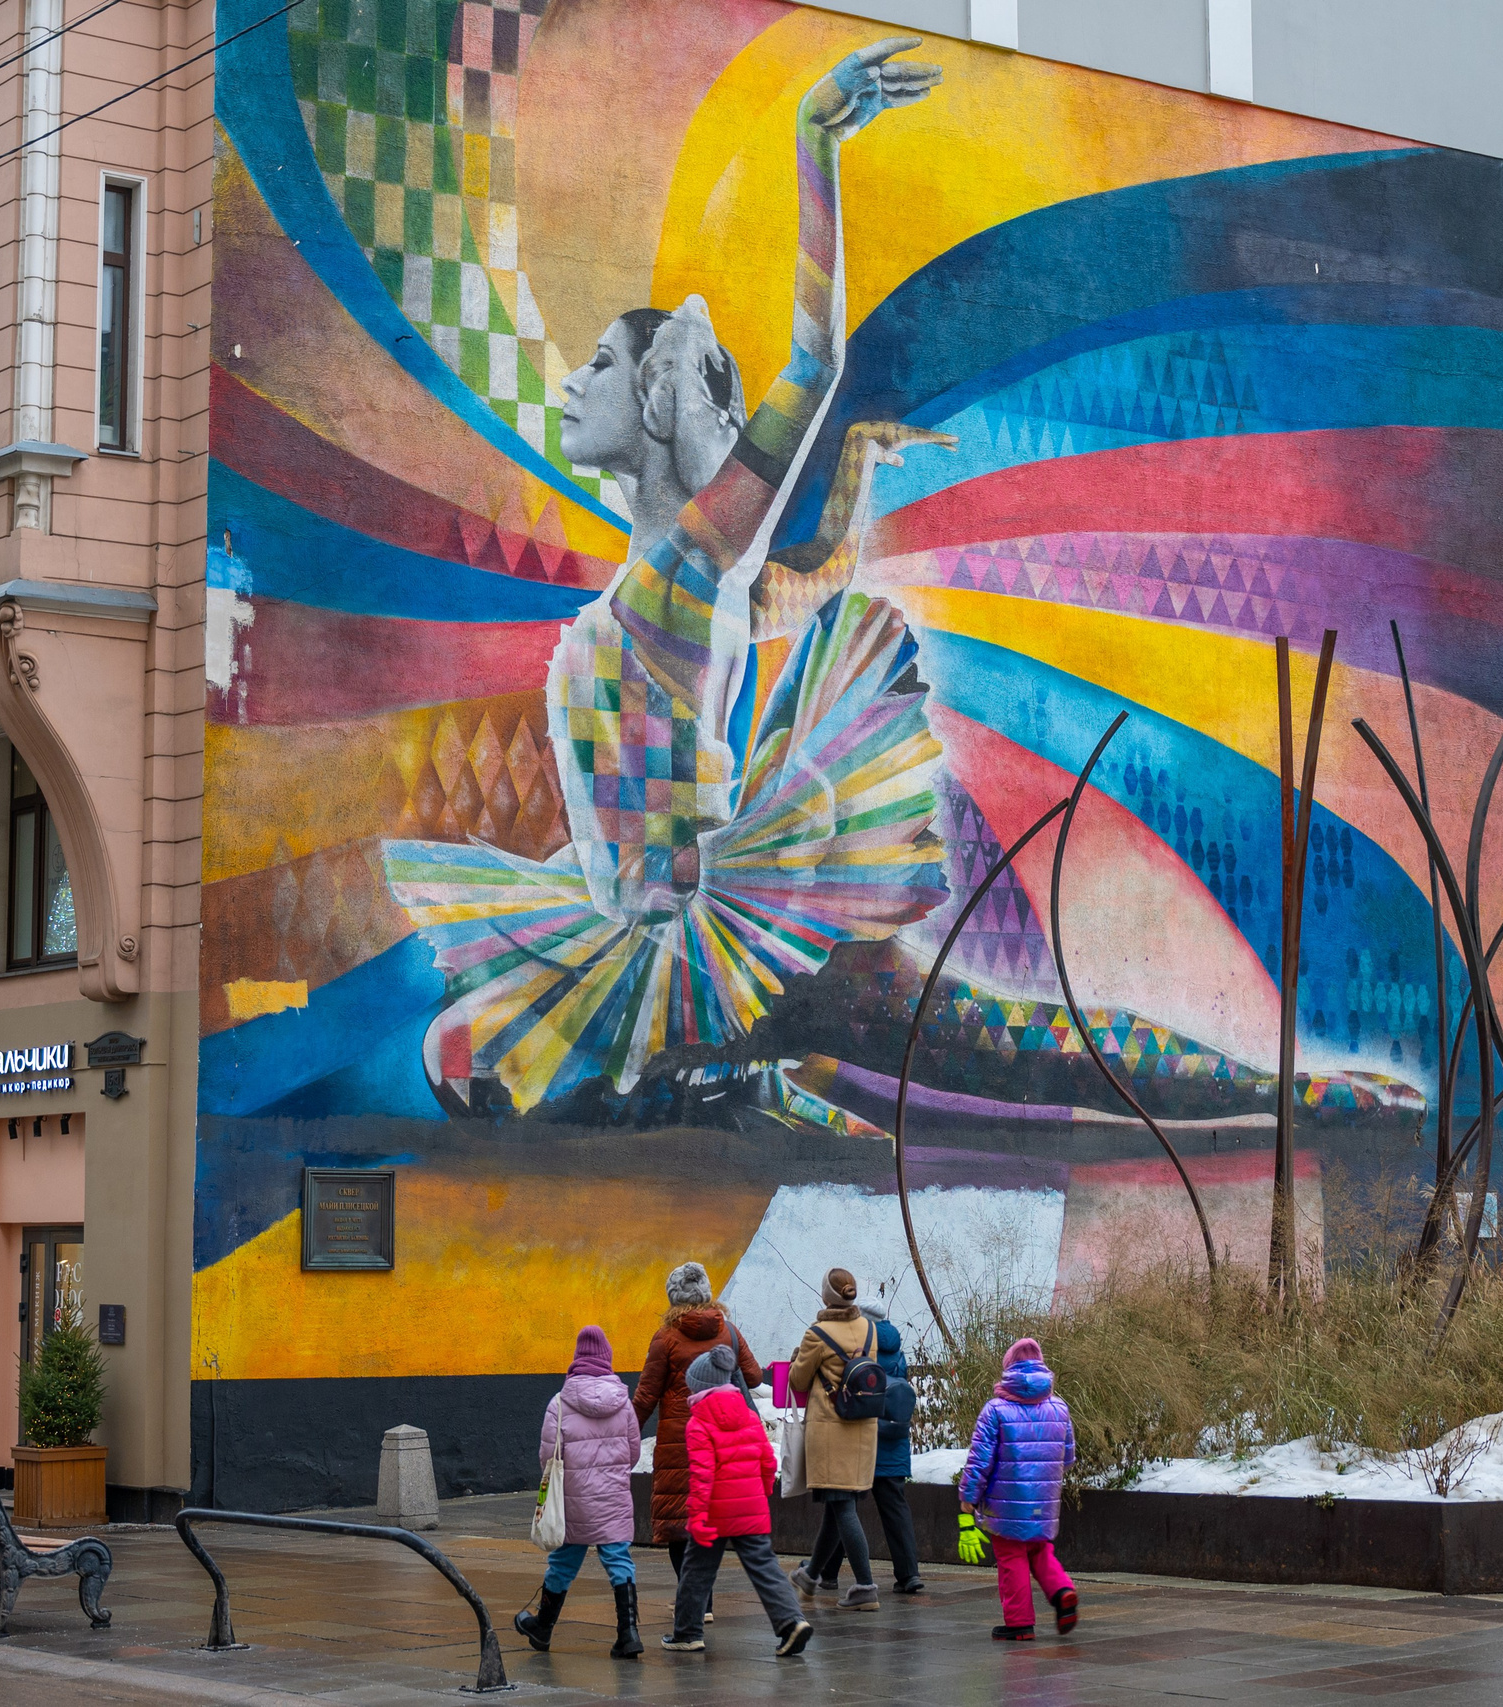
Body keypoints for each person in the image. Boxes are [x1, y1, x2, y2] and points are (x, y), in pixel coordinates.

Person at [386, 38, 950, 1115]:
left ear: (652, 396)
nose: (574, 382)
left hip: (695, 928)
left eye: (599, 362)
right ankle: (739, 1086)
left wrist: (810, 143)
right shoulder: (701, 587)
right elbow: (823, 575)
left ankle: (737, 1085)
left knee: (999, 1050)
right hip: (638, 923)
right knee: (456, 1051)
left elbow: (813, 365)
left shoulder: (690, 571)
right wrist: (864, 469)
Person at [664, 1343, 812, 1657]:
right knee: (765, 1567)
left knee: (696, 1570)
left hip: (715, 1513)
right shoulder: (746, 1414)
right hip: (751, 1507)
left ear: (700, 1387)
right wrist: (762, 1492)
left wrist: (697, 1517)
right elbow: (767, 1461)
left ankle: (687, 1632)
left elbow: (702, 1476)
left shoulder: (699, 1421)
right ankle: (791, 1621)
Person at [631, 1262, 759, 1602]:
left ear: (673, 1298)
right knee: (710, 1519)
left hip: (680, 1442)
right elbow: (755, 1378)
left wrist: (624, 1432)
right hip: (723, 1438)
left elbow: (646, 1396)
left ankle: (697, 1602)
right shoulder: (728, 1331)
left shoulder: (666, 1338)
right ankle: (702, 1599)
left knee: (678, 1526)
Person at [515, 1326, 645, 1659]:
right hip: (613, 1498)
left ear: (577, 1358)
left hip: (572, 1500)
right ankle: (628, 1633)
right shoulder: (624, 1402)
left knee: (562, 1561)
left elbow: (547, 1457)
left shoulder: (560, 1403)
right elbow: (633, 1454)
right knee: (618, 1558)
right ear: (607, 1358)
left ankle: (543, 1627)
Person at [956, 1337, 1079, 1641]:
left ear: (1008, 1369)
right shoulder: (1059, 1407)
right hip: (1045, 1499)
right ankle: (1063, 1591)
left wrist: (967, 1500)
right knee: (1040, 1549)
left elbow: (979, 1461)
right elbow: (1068, 1457)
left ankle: (1020, 1623)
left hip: (1005, 1503)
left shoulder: (995, 1410)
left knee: (1012, 1557)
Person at [797, 1299, 921, 1597]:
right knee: (894, 1509)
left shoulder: (862, 1342)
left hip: (860, 1434)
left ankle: (829, 1573)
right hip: (893, 1441)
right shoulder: (896, 1352)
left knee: (843, 1504)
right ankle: (909, 1573)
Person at [787, 1268, 881, 1609]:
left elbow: (798, 1382)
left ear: (827, 1296)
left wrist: (799, 1357)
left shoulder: (817, 1334)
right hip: (862, 1427)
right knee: (839, 1504)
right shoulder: (869, 1329)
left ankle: (866, 1587)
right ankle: (811, 1576)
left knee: (842, 1506)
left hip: (830, 1430)